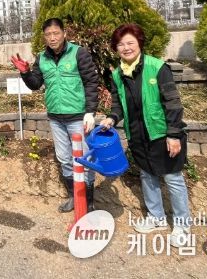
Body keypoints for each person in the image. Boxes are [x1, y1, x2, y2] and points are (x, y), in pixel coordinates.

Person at [100, 23, 191, 247]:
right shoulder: (118, 75)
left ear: (139, 43)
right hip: (137, 135)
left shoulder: (157, 67)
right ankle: (156, 217)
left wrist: (173, 134)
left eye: (130, 42)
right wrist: (112, 118)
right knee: (147, 175)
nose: (126, 48)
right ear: (116, 48)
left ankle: (182, 225)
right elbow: (118, 104)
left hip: (162, 133)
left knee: (173, 178)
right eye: (121, 44)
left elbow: (173, 103)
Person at [10, 18, 99, 213]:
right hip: (56, 118)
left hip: (78, 116)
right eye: (48, 34)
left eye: (56, 33)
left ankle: (88, 202)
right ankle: (74, 197)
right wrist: (26, 73)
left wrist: (90, 112)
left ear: (64, 33)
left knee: (85, 159)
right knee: (64, 158)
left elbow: (91, 82)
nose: (52, 38)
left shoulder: (79, 53)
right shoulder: (42, 58)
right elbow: (35, 84)